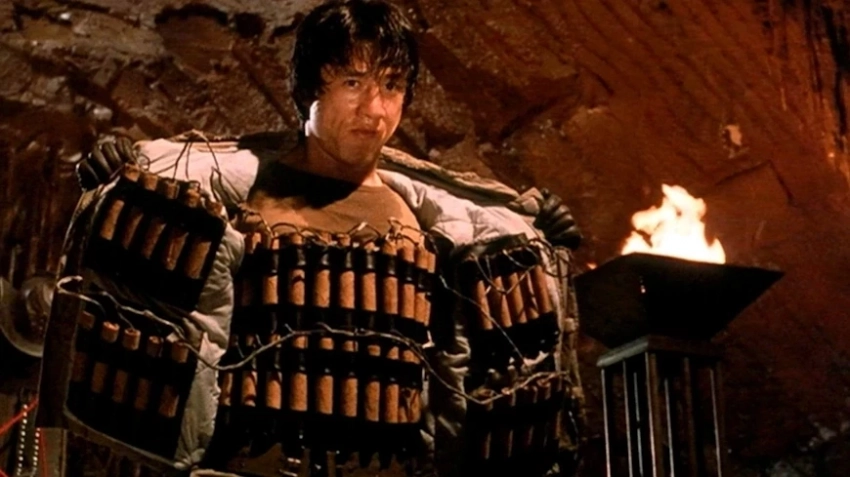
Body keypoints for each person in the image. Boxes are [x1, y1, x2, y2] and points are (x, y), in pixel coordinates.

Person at [55, 1, 583, 476]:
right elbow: (141, 306)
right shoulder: (239, 197)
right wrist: (116, 181)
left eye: (392, 86)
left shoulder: (433, 226)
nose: (375, 110)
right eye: (353, 83)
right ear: (311, 88)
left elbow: (471, 377)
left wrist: (541, 237)